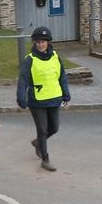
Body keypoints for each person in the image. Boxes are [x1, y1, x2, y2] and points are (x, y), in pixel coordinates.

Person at [16, 26, 70, 171]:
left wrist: (66, 94)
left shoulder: (55, 56)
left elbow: (62, 76)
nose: (41, 44)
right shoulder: (30, 60)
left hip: (54, 98)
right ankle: (45, 159)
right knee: (42, 129)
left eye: (43, 42)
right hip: (37, 101)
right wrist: (21, 97)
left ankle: (38, 143)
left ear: (48, 42)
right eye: (38, 42)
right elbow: (23, 80)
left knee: (55, 128)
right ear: (34, 43)